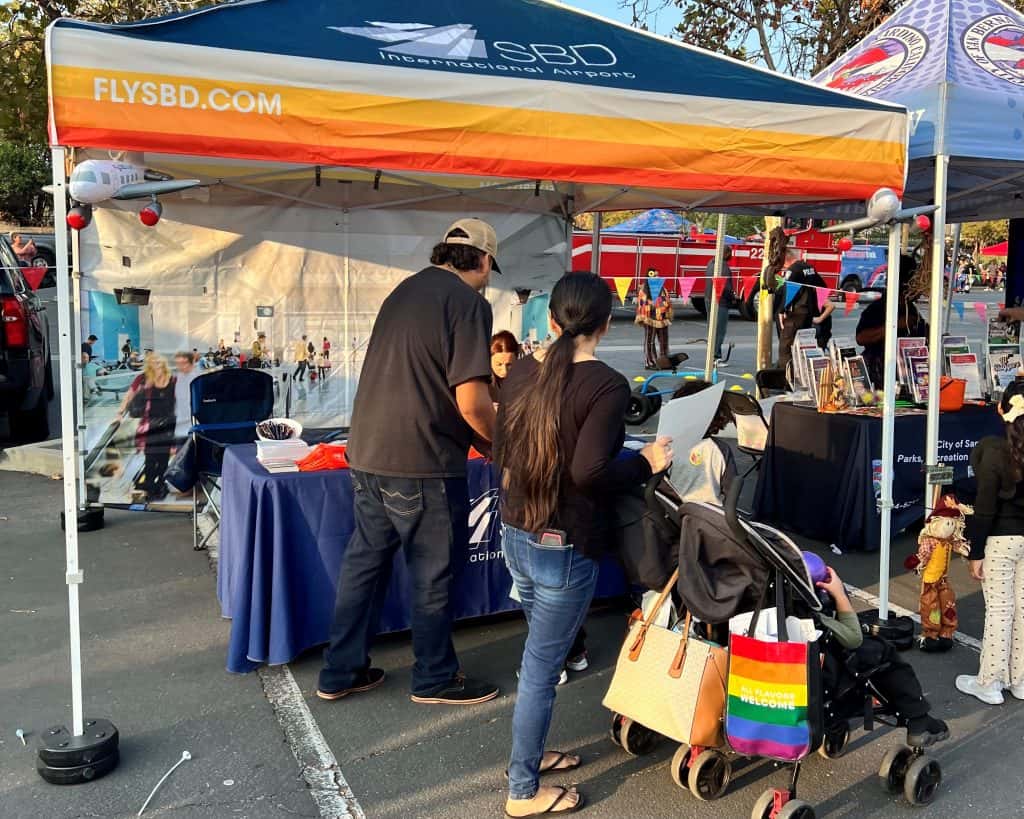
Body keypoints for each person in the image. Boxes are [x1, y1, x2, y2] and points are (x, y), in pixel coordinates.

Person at [496, 272, 672, 817]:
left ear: (551, 321)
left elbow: (508, 449)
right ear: (607, 323)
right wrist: (645, 462)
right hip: (562, 544)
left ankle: (528, 757)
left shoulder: (523, 369)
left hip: (517, 532)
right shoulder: (606, 385)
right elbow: (590, 470)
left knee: (537, 666)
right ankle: (521, 791)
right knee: (539, 673)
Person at [317, 218, 501, 707]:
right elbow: (471, 402)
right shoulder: (469, 304)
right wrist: (503, 444)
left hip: (369, 453)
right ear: (483, 261)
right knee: (433, 572)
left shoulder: (404, 290)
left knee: (365, 564)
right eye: (490, 268)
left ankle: (341, 670)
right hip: (422, 460)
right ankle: (435, 676)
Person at [807, 558, 950, 747]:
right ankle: (918, 718)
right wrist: (840, 594)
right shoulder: (810, 619)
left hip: (772, 684)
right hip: (821, 675)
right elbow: (853, 638)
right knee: (881, 651)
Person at [956, 380, 1024, 705]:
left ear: (1000, 408)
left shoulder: (992, 449)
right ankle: (1020, 680)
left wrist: (975, 551)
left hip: (1001, 540)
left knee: (1000, 609)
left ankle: (990, 682)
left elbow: (984, 508)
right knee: (1022, 609)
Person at [855, 254, 928, 388]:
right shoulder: (878, 308)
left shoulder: (910, 308)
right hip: (880, 374)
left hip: (908, 376)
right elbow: (861, 338)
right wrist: (894, 326)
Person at [669, 380, 737, 505]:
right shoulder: (721, 450)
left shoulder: (668, 446)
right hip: (710, 516)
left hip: (674, 512)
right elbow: (730, 489)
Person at [122, 354, 176, 502]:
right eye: (153, 362)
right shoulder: (142, 378)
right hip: (149, 423)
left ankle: (159, 484)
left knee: (164, 458)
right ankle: (151, 486)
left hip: (168, 422)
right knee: (151, 457)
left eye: (158, 361)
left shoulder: (172, 379)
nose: (156, 364)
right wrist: (120, 412)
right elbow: (129, 394)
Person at [775, 249, 834, 373]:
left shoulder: (793, 270)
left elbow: (789, 291)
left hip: (796, 314)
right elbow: (822, 286)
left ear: (785, 259)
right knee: (803, 346)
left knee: (786, 347)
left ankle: (785, 376)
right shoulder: (809, 267)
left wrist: (781, 310)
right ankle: (803, 374)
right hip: (809, 315)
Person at [635, 268, 673, 370]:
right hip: (649, 318)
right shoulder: (643, 290)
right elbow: (643, 304)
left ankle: (664, 361)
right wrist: (655, 303)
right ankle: (650, 362)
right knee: (649, 341)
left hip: (662, 318)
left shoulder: (663, 289)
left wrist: (658, 303)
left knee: (664, 341)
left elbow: (667, 302)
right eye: (654, 276)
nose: (657, 277)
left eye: (658, 276)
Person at [704, 247, 734, 362]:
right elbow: (726, 288)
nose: (731, 256)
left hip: (708, 299)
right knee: (719, 331)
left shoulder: (710, 263)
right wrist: (733, 298)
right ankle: (716, 357)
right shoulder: (724, 266)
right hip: (720, 302)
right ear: (725, 254)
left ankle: (713, 354)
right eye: (730, 253)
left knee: (711, 329)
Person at [172, 352, 201, 441]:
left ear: (191, 363)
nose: (181, 366)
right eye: (178, 363)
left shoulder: (198, 377)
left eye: (184, 363)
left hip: (196, 426)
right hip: (180, 428)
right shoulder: (176, 377)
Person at [489, 330, 521, 403]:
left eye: (509, 364)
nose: (504, 371)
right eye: (499, 364)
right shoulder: (481, 382)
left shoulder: (523, 379)